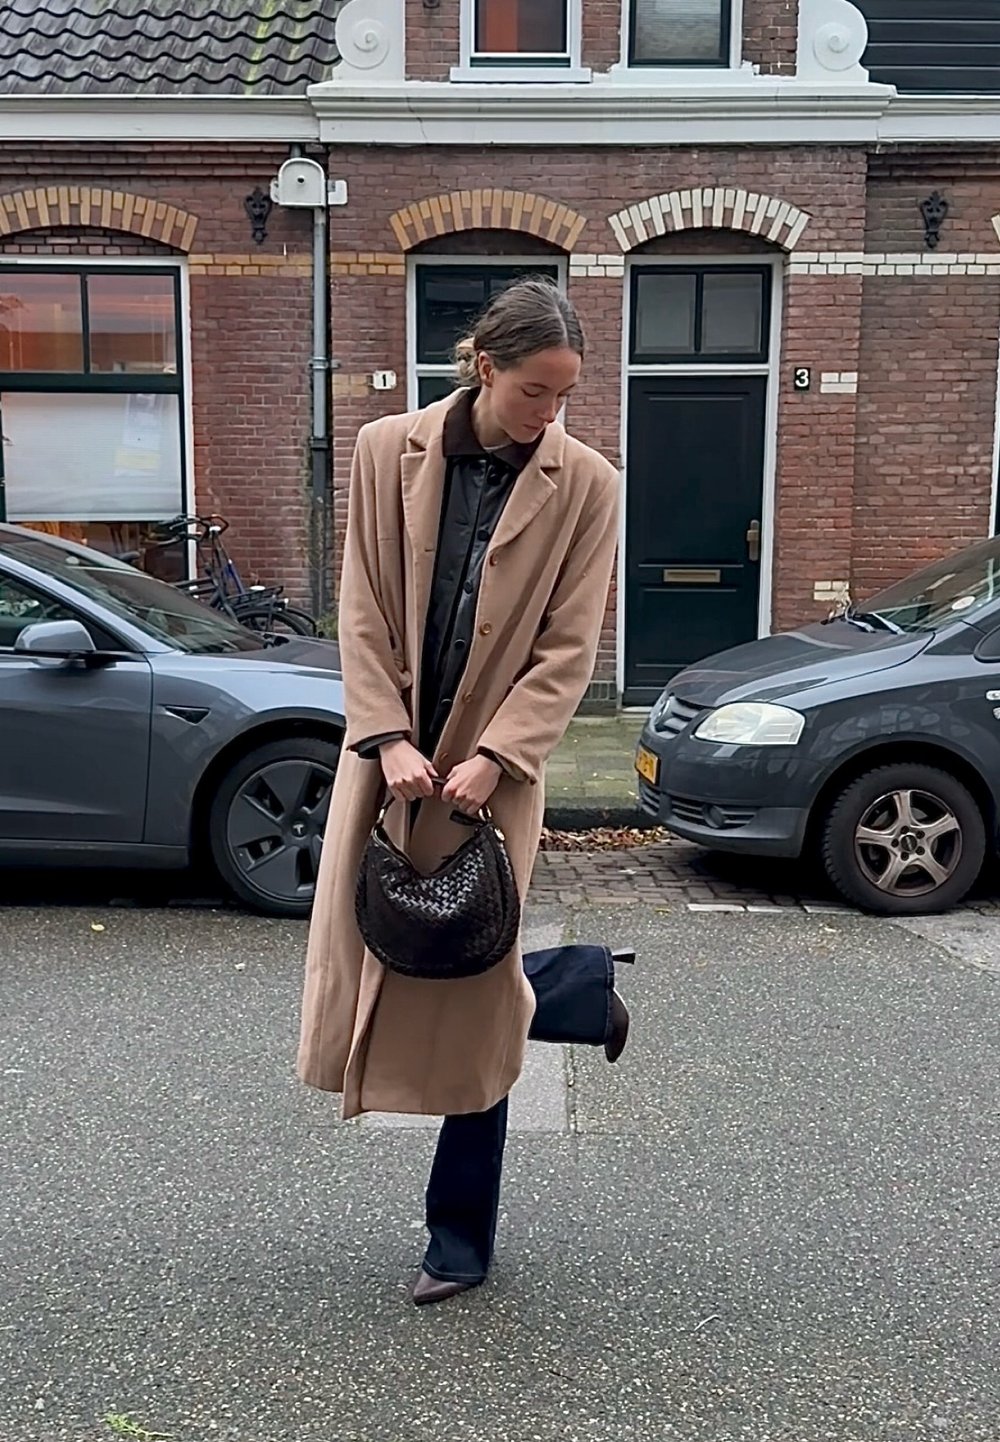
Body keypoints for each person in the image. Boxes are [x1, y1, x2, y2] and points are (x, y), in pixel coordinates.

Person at [298, 276, 630, 1305]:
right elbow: (360, 604)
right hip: (389, 766)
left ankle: (458, 1237)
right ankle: (575, 986)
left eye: (565, 396)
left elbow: (569, 647)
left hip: (490, 776)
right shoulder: (382, 449)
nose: (549, 414)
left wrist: (499, 754)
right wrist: (385, 734)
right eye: (535, 391)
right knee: (390, 948)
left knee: (477, 992)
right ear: (485, 367)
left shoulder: (589, 485)